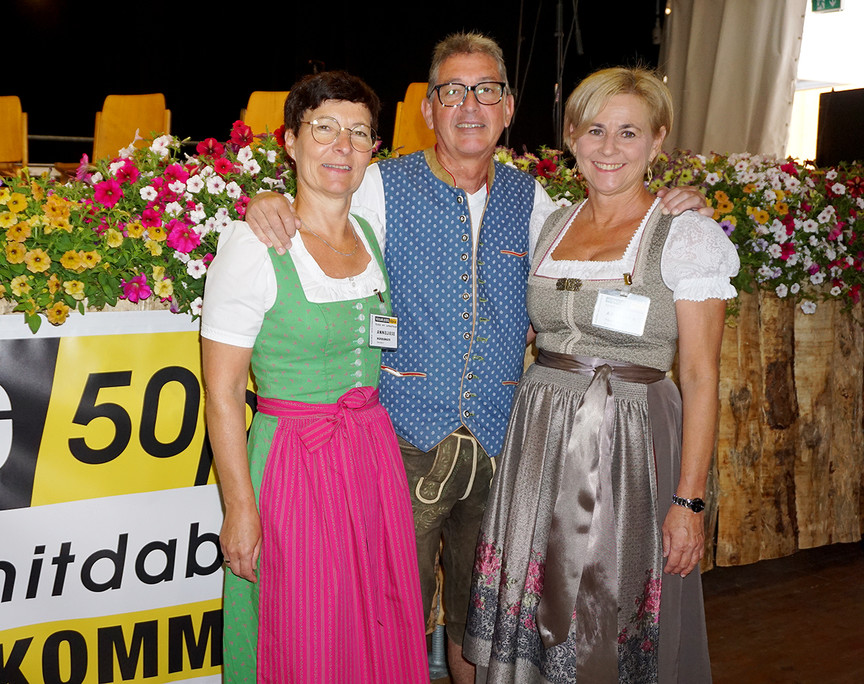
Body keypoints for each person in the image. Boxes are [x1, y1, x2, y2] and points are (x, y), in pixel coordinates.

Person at [245, 33, 710, 684]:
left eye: (487, 90)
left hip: (506, 451)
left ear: (509, 107)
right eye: (453, 91)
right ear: (428, 109)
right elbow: (316, 211)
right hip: (402, 444)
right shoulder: (377, 186)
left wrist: (682, 203)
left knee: (484, 627)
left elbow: (600, 246)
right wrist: (268, 200)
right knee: (386, 616)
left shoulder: (540, 206)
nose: (470, 105)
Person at [464, 67, 739, 683]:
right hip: (540, 436)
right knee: (535, 596)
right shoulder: (551, 222)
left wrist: (689, 501)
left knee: (611, 600)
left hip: (632, 441)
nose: (609, 148)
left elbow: (700, 376)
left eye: (629, 132)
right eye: (594, 130)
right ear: (571, 137)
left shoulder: (686, 236)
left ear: (657, 140)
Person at [201, 71, 428, 683]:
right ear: (290, 141)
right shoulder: (252, 248)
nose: (342, 146)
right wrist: (239, 508)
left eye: (359, 133)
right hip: (292, 463)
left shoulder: (370, 230)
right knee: (302, 628)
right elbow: (222, 392)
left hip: (370, 457)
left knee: (370, 622)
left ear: (373, 148)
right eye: (323, 128)